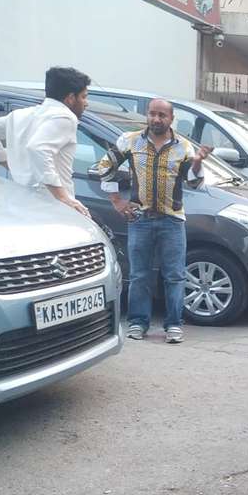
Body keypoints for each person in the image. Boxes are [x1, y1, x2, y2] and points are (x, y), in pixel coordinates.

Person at [97, 99, 212, 344]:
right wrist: (117, 201)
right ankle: (138, 323)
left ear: (171, 119)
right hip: (140, 219)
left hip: (172, 221)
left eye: (162, 115)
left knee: (175, 276)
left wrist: (198, 162)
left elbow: (194, 184)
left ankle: (173, 325)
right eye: (152, 114)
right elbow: (105, 167)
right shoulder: (130, 141)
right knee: (139, 275)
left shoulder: (184, 147)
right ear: (147, 116)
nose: (156, 119)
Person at [0, 66, 91, 218]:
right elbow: (38, 148)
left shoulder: (20, 115)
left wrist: (4, 160)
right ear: (71, 98)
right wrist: (62, 196)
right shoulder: (65, 117)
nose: (86, 103)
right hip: (51, 207)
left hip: (19, 202)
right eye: (84, 97)